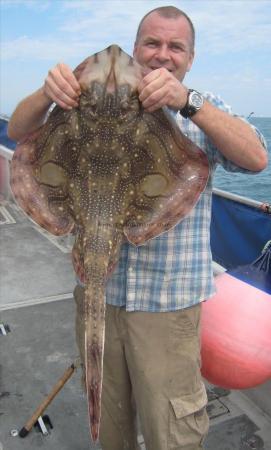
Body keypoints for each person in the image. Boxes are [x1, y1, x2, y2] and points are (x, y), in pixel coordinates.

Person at [8, 6, 267, 450]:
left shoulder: (200, 108)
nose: (162, 55)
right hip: (96, 292)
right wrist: (45, 93)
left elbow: (257, 158)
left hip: (167, 308)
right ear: (136, 49)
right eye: (152, 43)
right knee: (109, 423)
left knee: (173, 430)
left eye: (175, 47)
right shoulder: (74, 100)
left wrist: (187, 101)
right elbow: (18, 131)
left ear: (190, 58)